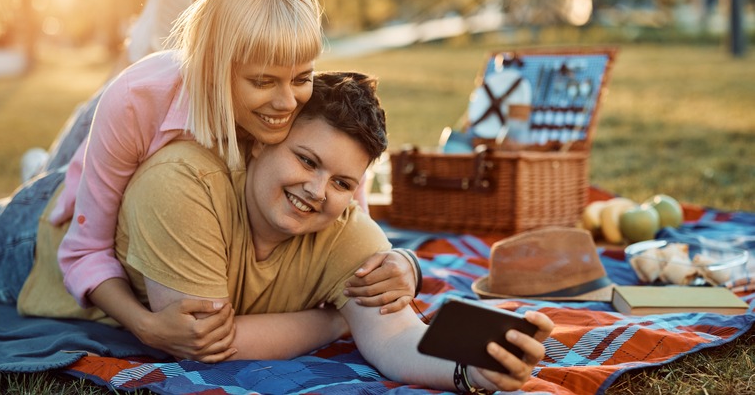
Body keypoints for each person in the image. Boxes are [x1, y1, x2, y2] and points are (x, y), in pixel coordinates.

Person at [0, 0, 419, 362]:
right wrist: (144, 324)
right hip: (44, 224)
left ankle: (45, 160)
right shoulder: (140, 100)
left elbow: (350, 220)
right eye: (264, 81)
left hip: (111, 183)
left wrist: (404, 265)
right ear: (216, 66)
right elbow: (82, 250)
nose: (288, 103)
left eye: (302, 77)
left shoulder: (297, 100)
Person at [88, 71, 552, 392]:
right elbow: (201, 342)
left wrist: (469, 371)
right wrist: (336, 318)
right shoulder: (185, 185)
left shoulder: (346, 228)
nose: (316, 190)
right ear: (259, 144)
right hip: (36, 237)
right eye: (306, 160)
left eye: (342, 182)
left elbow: (395, 338)